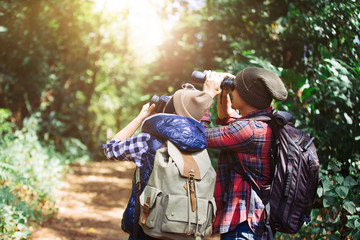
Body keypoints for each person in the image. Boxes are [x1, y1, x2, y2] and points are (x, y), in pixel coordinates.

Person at [101, 84, 213, 240]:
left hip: (148, 229)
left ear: (171, 109)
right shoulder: (201, 144)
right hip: (187, 230)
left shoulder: (149, 141)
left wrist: (140, 118)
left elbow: (111, 150)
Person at [201, 67, 288, 240]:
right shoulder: (264, 122)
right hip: (255, 223)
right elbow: (228, 119)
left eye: (235, 89)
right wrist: (223, 94)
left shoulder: (248, 130)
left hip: (243, 227)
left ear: (246, 97)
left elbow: (195, 136)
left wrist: (207, 95)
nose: (234, 92)